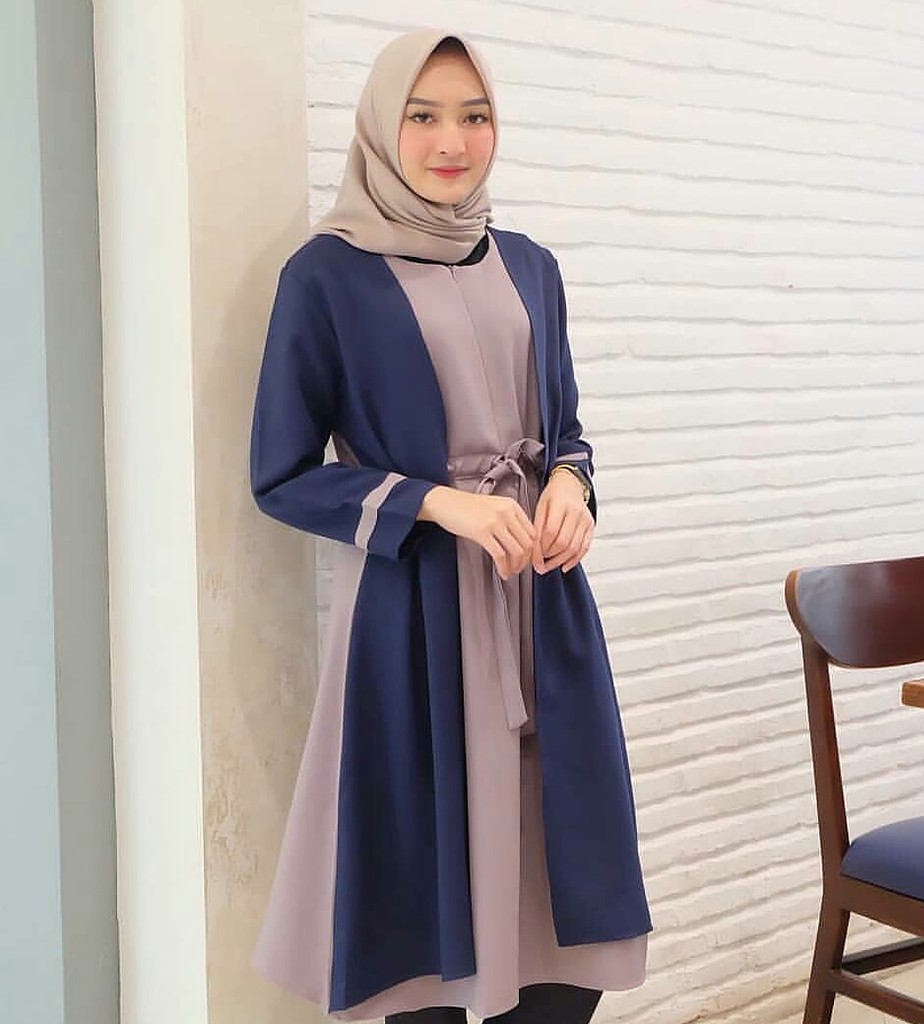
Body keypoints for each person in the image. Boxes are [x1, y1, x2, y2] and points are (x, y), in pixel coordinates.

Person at [249, 28, 652, 1024]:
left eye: (474, 116)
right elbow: (282, 476)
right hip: (414, 621)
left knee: (566, 924)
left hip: (540, 609)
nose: (451, 141)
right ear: (382, 127)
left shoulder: (532, 265)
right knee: (420, 932)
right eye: (422, 115)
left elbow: (566, 429)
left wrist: (571, 486)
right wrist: (437, 501)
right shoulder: (326, 277)